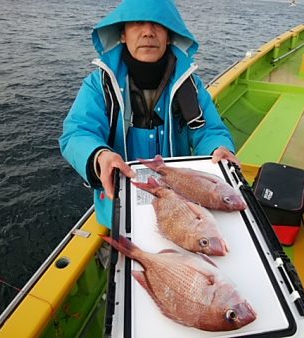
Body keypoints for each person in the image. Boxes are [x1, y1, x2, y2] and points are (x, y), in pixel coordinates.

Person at [59, 0, 239, 228]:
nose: (148, 32)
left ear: (170, 35)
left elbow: (208, 130)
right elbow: (77, 132)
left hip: (182, 208)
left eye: (158, 24)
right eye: (137, 23)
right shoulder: (99, 84)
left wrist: (218, 149)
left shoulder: (189, 86)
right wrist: (99, 155)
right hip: (118, 211)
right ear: (122, 34)